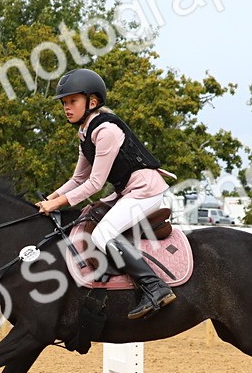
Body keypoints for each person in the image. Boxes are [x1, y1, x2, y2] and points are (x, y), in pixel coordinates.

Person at [36, 68, 178, 320]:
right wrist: (49, 199)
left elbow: (94, 184)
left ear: (92, 102)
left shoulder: (105, 131)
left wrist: (57, 202)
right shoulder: (86, 133)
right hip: (128, 191)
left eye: (72, 101)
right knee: (88, 219)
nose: (66, 108)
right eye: (64, 103)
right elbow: (77, 179)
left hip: (145, 190)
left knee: (104, 234)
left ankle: (155, 287)